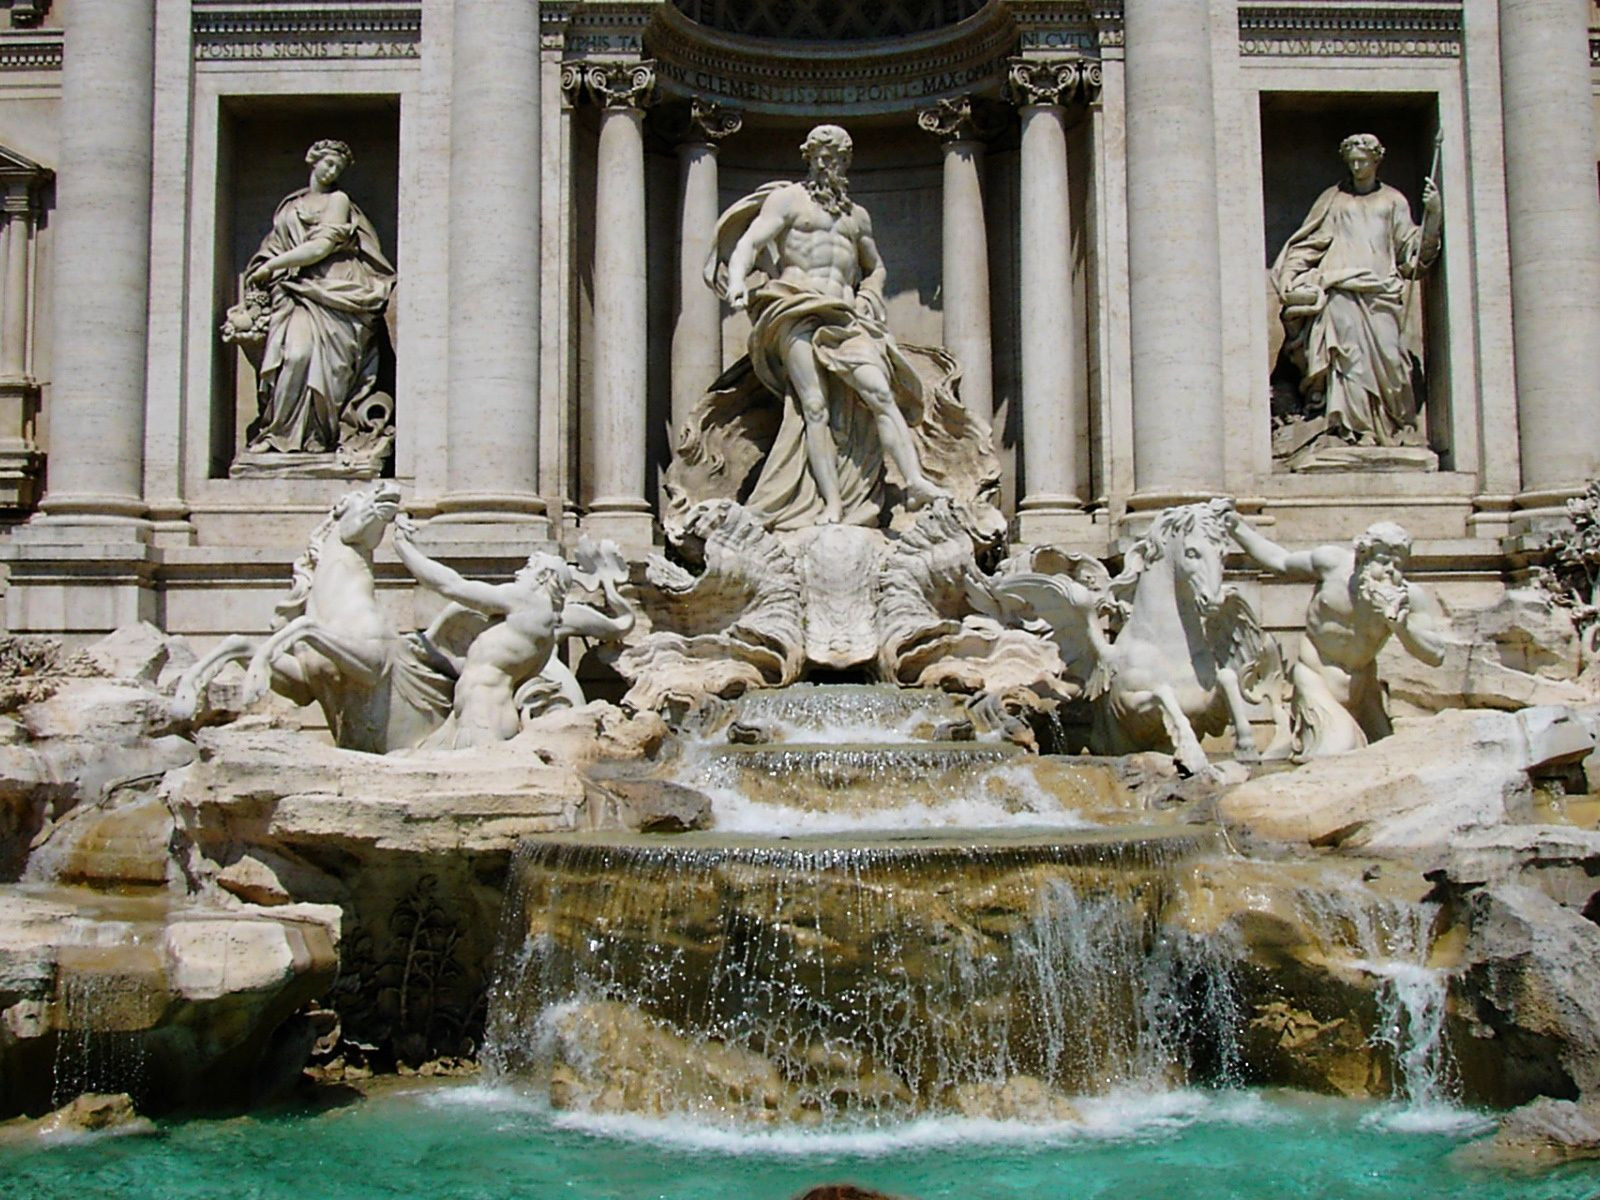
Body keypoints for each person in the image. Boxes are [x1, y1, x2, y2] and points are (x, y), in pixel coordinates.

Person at [709, 124, 949, 529]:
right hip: (794, 307)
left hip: (845, 315)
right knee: (814, 406)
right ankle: (832, 504)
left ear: (845, 162)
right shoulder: (789, 200)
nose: (827, 163)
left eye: (835, 156)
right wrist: (736, 281)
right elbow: (750, 242)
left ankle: (914, 481)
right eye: (820, 155)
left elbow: (875, 266)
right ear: (809, 158)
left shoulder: (857, 218)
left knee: (879, 392)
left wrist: (871, 294)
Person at [392, 519, 635, 749]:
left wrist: (403, 548)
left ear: (543, 576)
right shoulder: (541, 628)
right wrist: (434, 657)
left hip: (482, 719)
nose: (519, 574)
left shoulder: (528, 603)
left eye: (528, 567)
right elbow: (484, 667)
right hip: (470, 716)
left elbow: (451, 585)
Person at [1225, 512, 1447, 758]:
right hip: (1315, 678)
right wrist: (1237, 529)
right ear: (1363, 557)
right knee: (1338, 751)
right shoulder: (1331, 565)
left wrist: (1400, 625)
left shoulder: (1408, 597)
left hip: (1363, 690)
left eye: (1398, 564)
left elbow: (1436, 654)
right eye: (1383, 561)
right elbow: (1280, 561)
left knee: (1387, 756)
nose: (1390, 571)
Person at [1272, 133, 1442, 447]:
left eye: (1362, 160)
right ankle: (1349, 430)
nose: (1357, 166)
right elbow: (1309, 242)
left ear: (1376, 160)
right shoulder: (1333, 199)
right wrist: (1291, 274)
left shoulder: (1393, 201)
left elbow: (1413, 256)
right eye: (1351, 161)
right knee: (1345, 359)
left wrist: (1433, 215)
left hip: (1381, 291)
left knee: (1391, 359)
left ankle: (1390, 426)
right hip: (1340, 288)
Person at [233, 139, 395, 454]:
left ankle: (318, 436)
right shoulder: (290, 206)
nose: (332, 171)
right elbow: (275, 245)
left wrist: (273, 266)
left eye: (339, 167)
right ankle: (277, 433)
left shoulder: (339, 200)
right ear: (313, 160)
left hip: (333, 291)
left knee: (324, 366)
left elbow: (321, 247)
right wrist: (266, 269)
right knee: (294, 356)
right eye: (329, 163)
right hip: (293, 294)